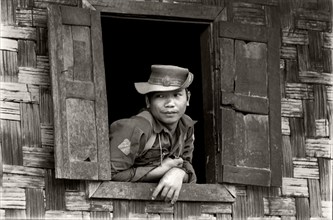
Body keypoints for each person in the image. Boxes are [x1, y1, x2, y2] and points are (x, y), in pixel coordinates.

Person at [109, 64, 197, 204]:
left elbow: (187, 165)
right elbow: (110, 175)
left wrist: (178, 173)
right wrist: (162, 170)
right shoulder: (135, 129)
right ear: (148, 101)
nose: (170, 104)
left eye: (177, 95)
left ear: (188, 98)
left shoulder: (186, 126)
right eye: (160, 96)